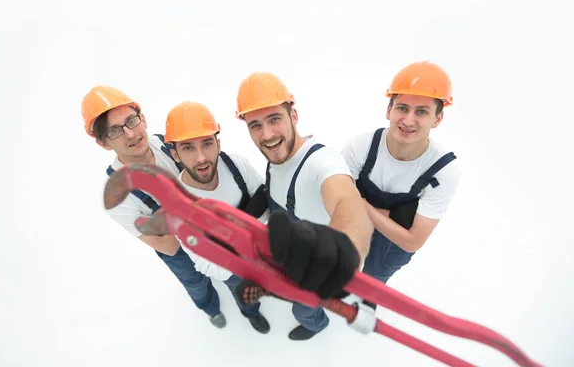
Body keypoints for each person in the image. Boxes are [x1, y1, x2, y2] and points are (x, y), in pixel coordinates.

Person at [234, 72, 374, 341]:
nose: (267, 135)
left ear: (293, 116)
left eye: (274, 119)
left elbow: (348, 203)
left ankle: (315, 325)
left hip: (319, 267)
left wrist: (344, 250)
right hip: (291, 254)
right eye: (255, 125)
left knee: (303, 311)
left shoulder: (321, 162)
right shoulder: (276, 158)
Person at [80, 86, 232, 330]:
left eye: (131, 120)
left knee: (231, 267)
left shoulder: (166, 143)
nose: (130, 134)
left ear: (143, 118)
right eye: (115, 131)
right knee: (195, 283)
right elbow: (168, 245)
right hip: (181, 252)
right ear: (102, 143)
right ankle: (211, 308)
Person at [341, 61, 462, 290]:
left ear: (437, 119)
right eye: (402, 108)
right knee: (343, 265)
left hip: (391, 247)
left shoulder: (444, 170)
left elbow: (412, 241)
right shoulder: (361, 147)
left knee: (374, 280)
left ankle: (368, 299)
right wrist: (396, 218)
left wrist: (360, 203)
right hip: (354, 225)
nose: (408, 120)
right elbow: (337, 201)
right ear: (389, 110)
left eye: (422, 112)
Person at [162, 100, 271, 334]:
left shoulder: (235, 164)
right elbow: (206, 264)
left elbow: (266, 199)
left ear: (218, 143)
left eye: (207, 144)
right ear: (175, 153)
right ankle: (251, 313)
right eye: (188, 147)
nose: (201, 157)